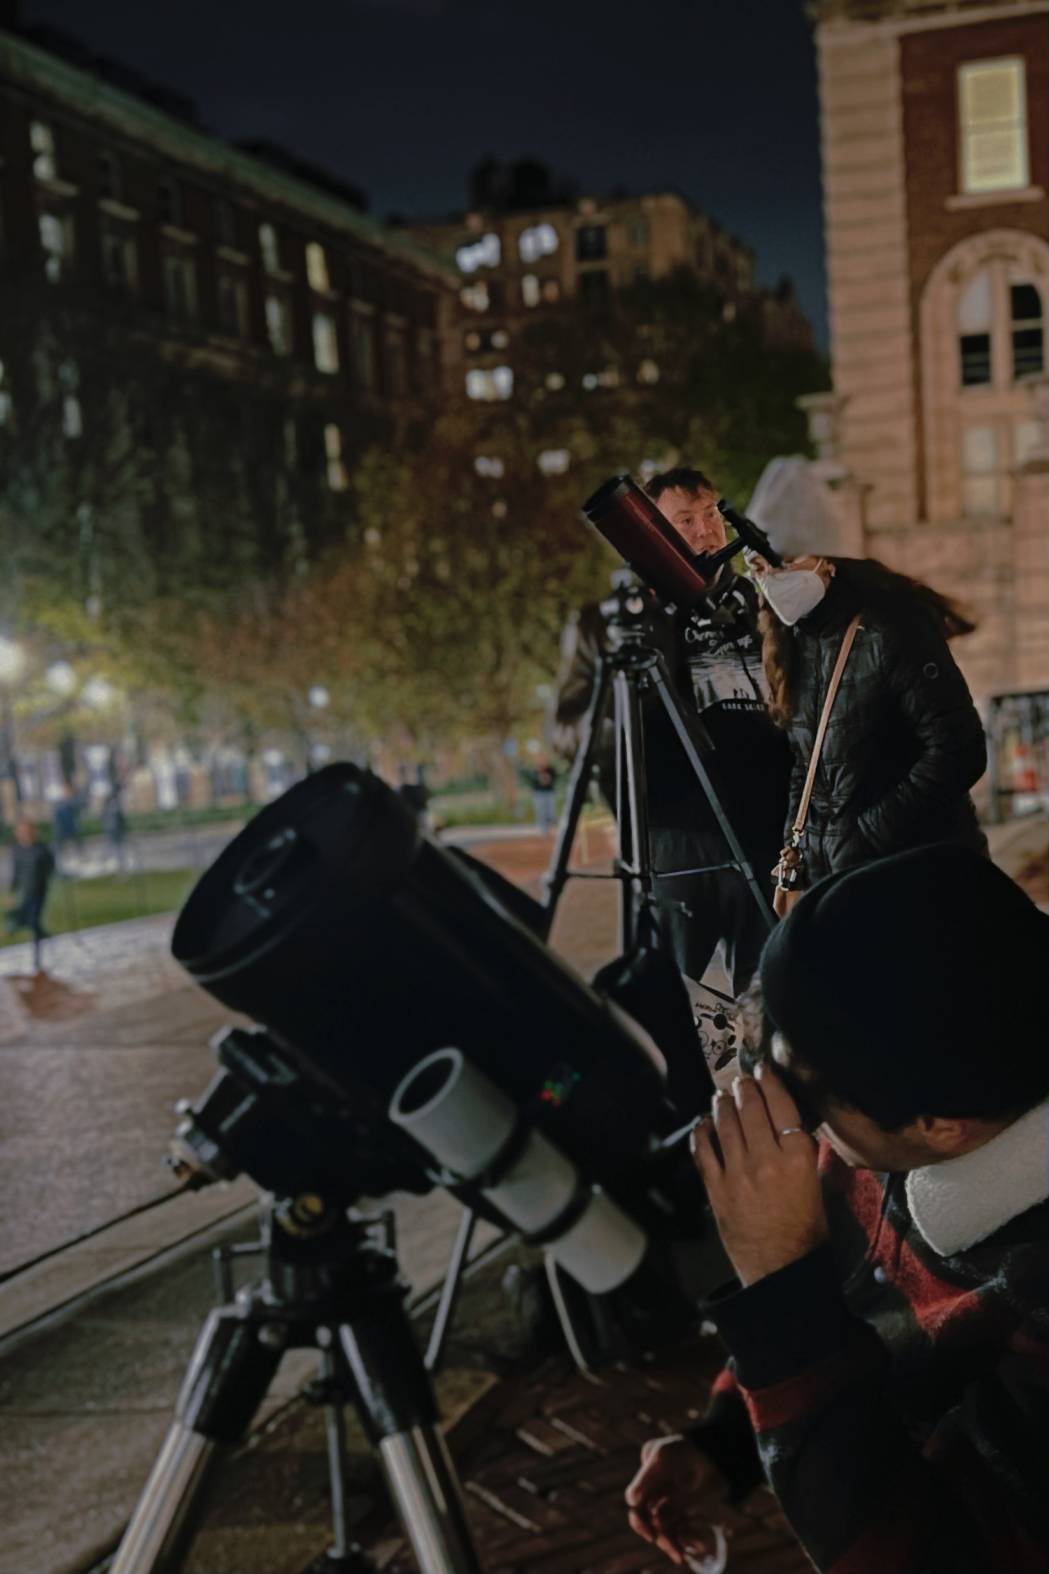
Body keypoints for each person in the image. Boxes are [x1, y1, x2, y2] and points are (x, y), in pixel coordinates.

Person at [626, 844, 1049, 1573]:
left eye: (803, 1087)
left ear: (944, 1126)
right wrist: (727, 1437)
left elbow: (929, 1553)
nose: (779, 1106)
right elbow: (864, 1310)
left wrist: (779, 1290)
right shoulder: (896, 1106)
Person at [553, 467, 790, 995]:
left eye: (711, 516)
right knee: (686, 1010)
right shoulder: (608, 625)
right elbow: (566, 732)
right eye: (686, 520)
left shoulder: (764, 605)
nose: (706, 531)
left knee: (773, 1002)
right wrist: (622, 708)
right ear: (653, 534)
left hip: (767, 838)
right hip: (675, 846)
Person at [746, 548, 987, 892]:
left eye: (787, 562)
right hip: (839, 883)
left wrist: (868, 834)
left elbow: (960, 749)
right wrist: (800, 846)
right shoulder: (793, 639)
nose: (775, 578)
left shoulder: (890, 627)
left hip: (915, 877)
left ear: (827, 560)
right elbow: (806, 761)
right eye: (763, 568)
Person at [6, 817, 55, 971]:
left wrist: (49, 877)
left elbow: (51, 865)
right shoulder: (17, 850)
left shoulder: (42, 848)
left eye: (28, 831)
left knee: (33, 919)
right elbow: (16, 871)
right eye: (21, 831)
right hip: (25, 891)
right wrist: (12, 889)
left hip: (40, 890)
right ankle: (42, 933)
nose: (25, 834)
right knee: (29, 920)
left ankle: (37, 955)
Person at [522, 755, 558, 834]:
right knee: (541, 812)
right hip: (539, 794)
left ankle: (551, 824)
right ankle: (544, 831)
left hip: (549, 793)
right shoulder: (534, 771)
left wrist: (546, 777)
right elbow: (534, 783)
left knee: (551, 812)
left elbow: (551, 780)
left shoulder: (551, 770)